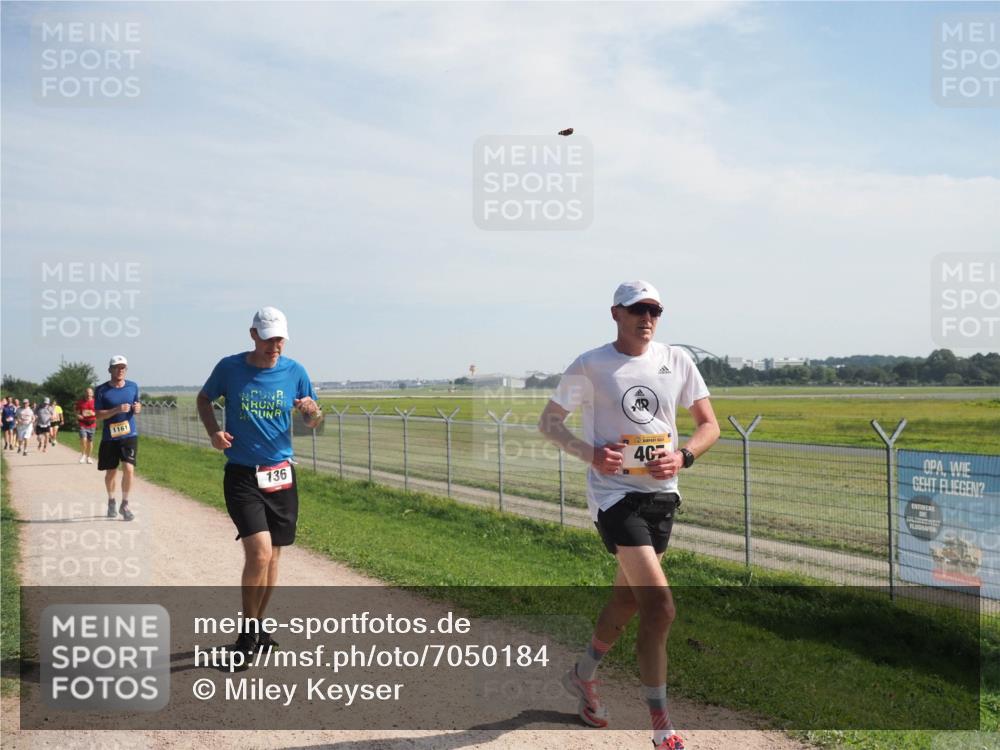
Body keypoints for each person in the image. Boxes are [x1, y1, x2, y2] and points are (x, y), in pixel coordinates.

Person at [539, 281, 720, 750]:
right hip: (614, 497)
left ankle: (582, 675)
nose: (648, 317)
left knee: (627, 602)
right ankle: (662, 727)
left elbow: (709, 425)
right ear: (615, 313)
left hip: (662, 497)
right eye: (638, 309)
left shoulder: (676, 360)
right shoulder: (591, 364)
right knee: (660, 605)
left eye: (655, 310)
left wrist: (684, 457)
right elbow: (549, 422)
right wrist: (591, 454)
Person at [197, 307, 322, 659]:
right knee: (260, 552)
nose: (275, 345)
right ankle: (247, 634)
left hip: (280, 474)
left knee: (274, 557)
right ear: (253, 334)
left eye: (280, 338)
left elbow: (313, 422)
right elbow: (204, 398)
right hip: (242, 474)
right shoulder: (230, 368)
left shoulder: (295, 372)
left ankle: (258, 624)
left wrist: (311, 412)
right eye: (268, 338)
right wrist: (213, 432)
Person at [94, 356, 142, 521]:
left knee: (129, 469)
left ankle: (125, 504)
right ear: (110, 370)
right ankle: (111, 500)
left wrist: (137, 408)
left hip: (129, 434)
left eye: (123, 367)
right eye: (116, 367)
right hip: (110, 437)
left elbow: (138, 404)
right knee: (111, 473)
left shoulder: (133, 386)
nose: (120, 370)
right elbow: (98, 415)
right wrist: (116, 410)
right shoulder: (101, 390)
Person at [75, 387, 97, 464]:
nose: (88, 394)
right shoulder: (80, 402)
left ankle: (89, 457)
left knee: (90, 441)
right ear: (85, 393)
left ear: (92, 394)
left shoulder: (96, 402)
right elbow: (77, 412)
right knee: (84, 439)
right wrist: (78, 416)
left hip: (92, 424)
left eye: (90, 393)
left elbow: (99, 412)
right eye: (87, 393)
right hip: (82, 423)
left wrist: (93, 413)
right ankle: (83, 455)